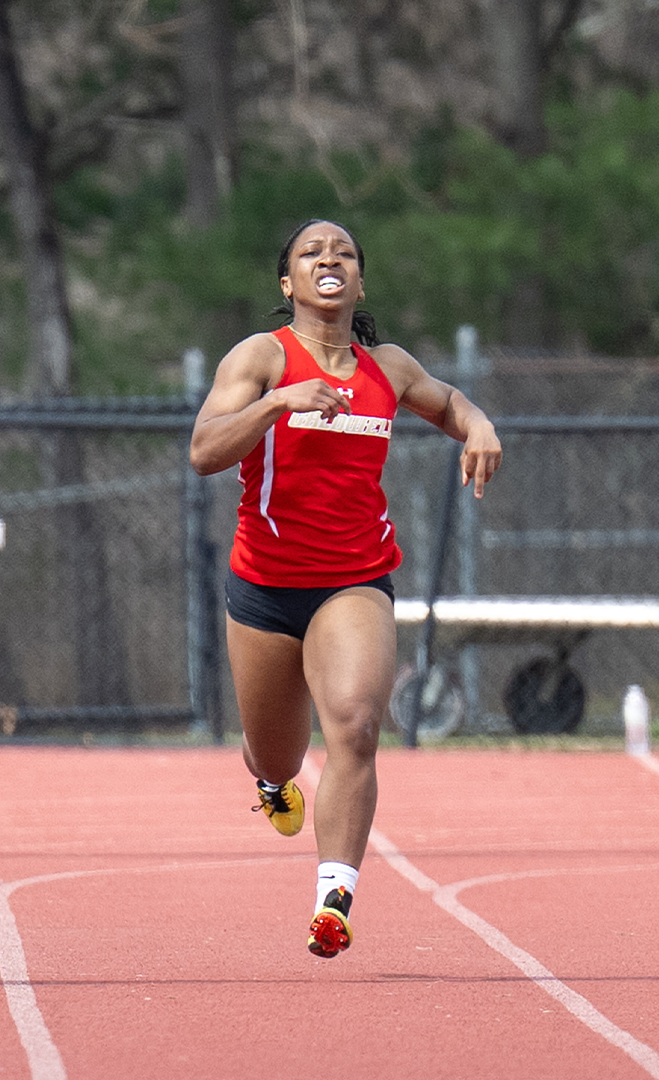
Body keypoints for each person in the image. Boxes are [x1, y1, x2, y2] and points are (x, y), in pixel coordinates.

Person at [189, 219, 501, 957]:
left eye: (344, 253)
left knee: (358, 724)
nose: (329, 260)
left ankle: (335, 896)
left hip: (354, 578)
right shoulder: (261, 358)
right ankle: (269, 783)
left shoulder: (386, 367)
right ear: (287, 283)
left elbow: (448, 400)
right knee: (277, 756)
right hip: (265, 585)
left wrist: (480, 423)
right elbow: (203, 450)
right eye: (310, 253)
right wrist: (276, 404)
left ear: (359, 281)